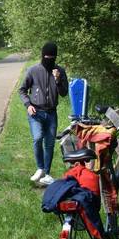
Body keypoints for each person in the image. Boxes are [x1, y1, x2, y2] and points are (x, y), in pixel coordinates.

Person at [18, 42, 69, 186]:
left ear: (55, 57)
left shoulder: (60, 71)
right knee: (38, 138)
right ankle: (40, 168)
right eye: (46, 57)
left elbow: (64, 93)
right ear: (42, 56)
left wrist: (58, 80)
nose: (49, 60)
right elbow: (22, 90)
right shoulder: (33, 70)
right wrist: (28, 105)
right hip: (36, 112)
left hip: (52, 113)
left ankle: (46, 173)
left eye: (52, 58)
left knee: (50, 144)